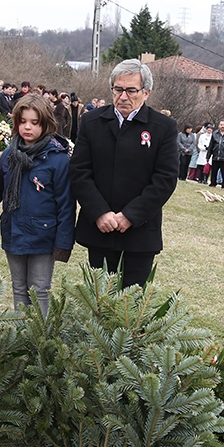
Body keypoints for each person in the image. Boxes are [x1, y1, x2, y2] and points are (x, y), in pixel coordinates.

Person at [69, 59, 178, 289]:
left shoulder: (163, 127)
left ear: (146, 92)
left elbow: (165, 179)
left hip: (140, 234)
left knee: (132, 302)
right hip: (100, 230)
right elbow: (79, 171)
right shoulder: (91, 122)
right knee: (99, 300)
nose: (123, 96)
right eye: (118, 89)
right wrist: (100, 212)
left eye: (131, 90)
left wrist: (130, 215)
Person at [0, 94, 75, 315]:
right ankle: (20, 331)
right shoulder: (9, 155)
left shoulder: (58, 159)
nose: (27, 127)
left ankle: (40, 333)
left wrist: (63, 243)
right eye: (22, 122)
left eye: (34, 122)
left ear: (46, 123)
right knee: (19, 288)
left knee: (39, 289)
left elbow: (66, 205)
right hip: (13, 232)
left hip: (43, 237)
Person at [206, 120, 224, 189]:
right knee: (214, 172)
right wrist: (208, 156)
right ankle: (213, 183)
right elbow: (211, 145)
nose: (222, 126)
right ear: (219, 125)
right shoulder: (215, 133)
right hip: (215, 156)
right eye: (221, 125)